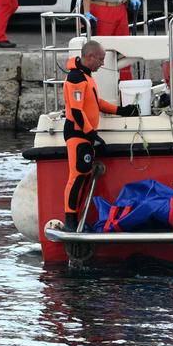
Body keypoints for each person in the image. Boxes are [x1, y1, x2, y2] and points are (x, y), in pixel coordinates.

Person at [62, 40, 139, 230]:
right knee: (78, 176)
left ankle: (77, 218)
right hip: (78, 134)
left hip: (84, 135)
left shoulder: (86, 77)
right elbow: (77, 111)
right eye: (101, 59)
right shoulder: (76, 79)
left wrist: (121, 110)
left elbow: (97, 103)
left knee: (84, 176)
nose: (103, 64)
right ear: (90, 57)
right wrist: (91, 136)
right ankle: (70, 220)